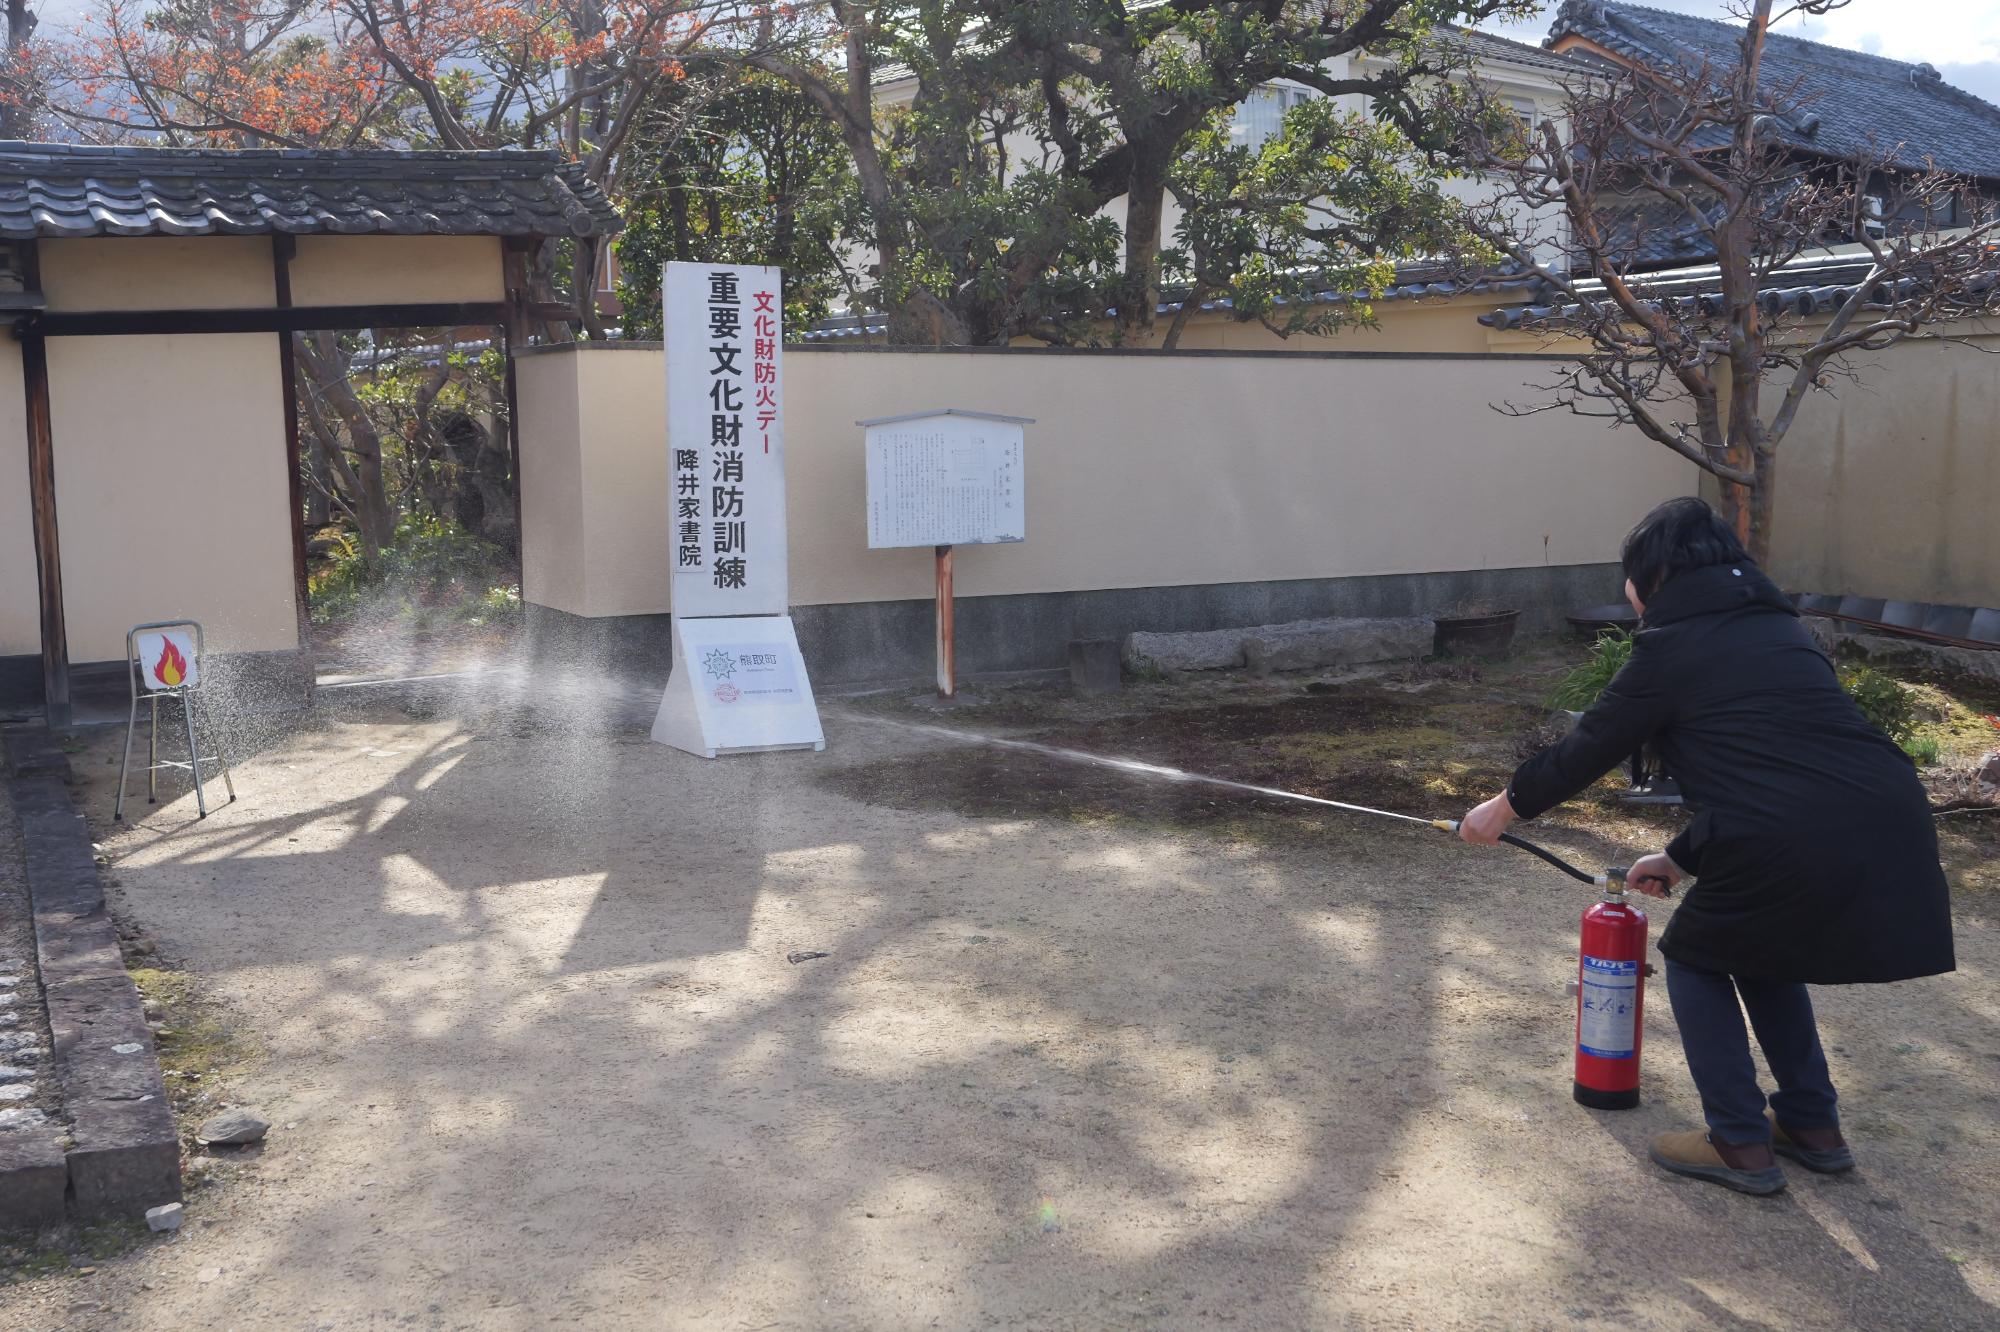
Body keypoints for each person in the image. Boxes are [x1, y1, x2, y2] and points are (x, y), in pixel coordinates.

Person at [1459, 497, 1954, 1196]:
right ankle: (1812, 1124)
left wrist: (1502, 808)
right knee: (1758, 952)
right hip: (1887, 812)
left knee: (1694, 957)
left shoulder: (1673, 646)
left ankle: (1738, 1141)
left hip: (1794, 831)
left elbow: (1590, 746)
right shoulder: (1776, 630)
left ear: (1652, 578)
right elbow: (1770, 774)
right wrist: (1681, 858)